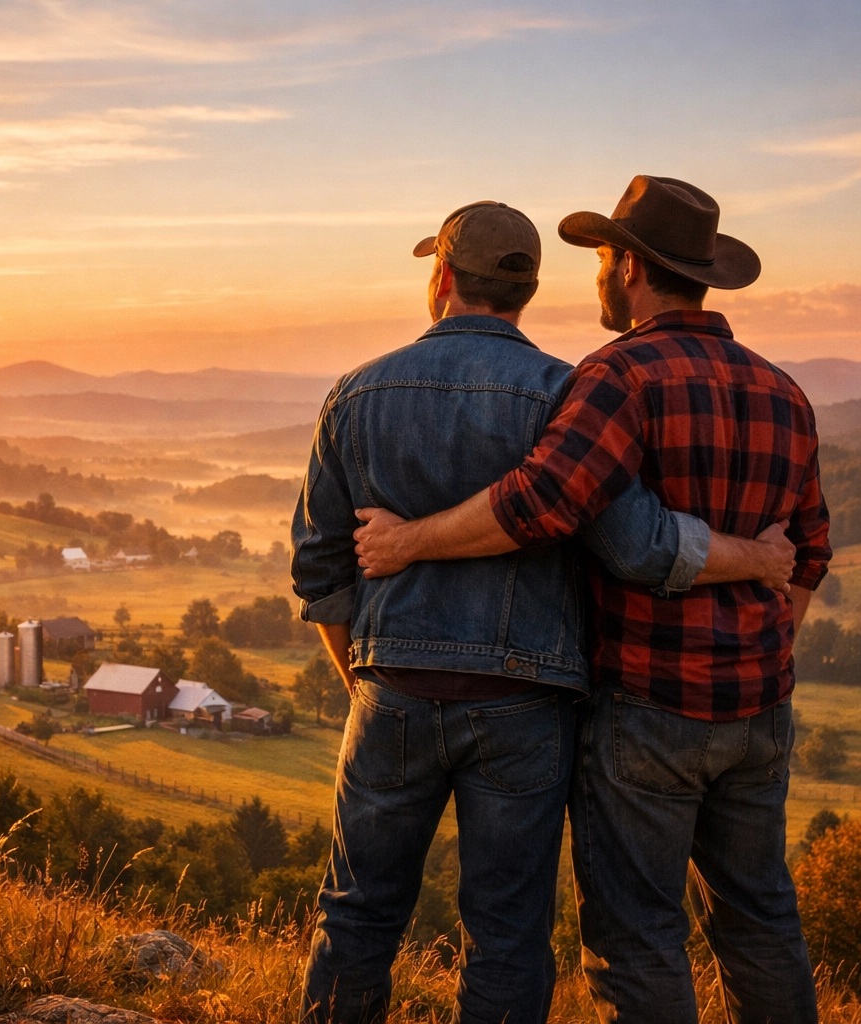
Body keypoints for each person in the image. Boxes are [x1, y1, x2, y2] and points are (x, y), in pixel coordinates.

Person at [294, 199, 797, 1024]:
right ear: (525, 290)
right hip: (527, 702)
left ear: (443, 277)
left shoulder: (356, 392)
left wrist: (365, 677)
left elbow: (319, 567)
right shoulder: (571, 390)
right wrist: (754, 557)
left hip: (393, 689)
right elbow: (633, 541)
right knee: (508, 934)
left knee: (356, 915)